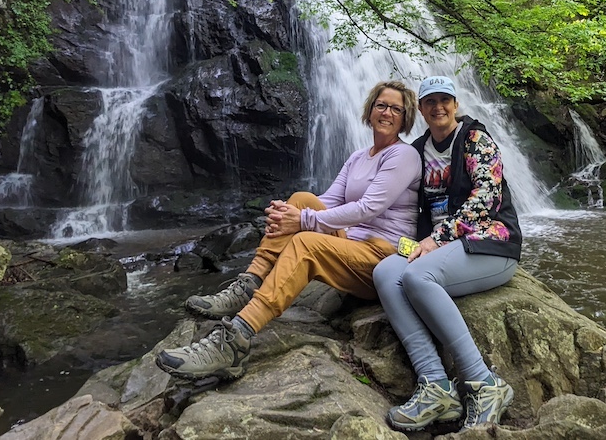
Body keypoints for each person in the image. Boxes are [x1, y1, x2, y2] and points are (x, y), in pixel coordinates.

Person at [155, 80, 421, 381]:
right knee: (300, 199)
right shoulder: (359, 156)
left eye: (396, 109)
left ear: (405, 117)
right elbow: (326, 202)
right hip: (350, 246)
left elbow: (367, 208)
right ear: (371, 109)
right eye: (381, 105)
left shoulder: (404, 156)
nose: (387, 113)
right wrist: (288, 212)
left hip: (381, 258)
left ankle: (234, 342)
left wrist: (303, 221)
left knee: (306, 241)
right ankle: (249, 284)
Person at [372, 75, 523, 432]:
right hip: (441, 246)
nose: (438, 107)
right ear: (421, 109)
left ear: (456, 104)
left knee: (416, 276)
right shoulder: (418, 149)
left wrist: (438, 238)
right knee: (385, 273)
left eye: (445, 100)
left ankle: (485, 384)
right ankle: (436, 386)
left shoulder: (475, 140)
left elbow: (486, 197)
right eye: (430, 102)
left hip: (490, 244)